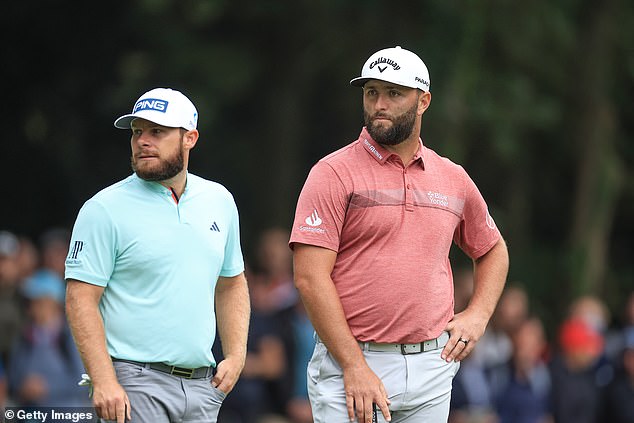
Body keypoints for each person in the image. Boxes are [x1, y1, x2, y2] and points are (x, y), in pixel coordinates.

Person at [289, 46, 509, 423]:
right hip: (352, 364)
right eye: (371, 92)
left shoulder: (452, 177)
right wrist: (353, 365)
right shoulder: (333, 172)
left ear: (423, 101)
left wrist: (478, 315)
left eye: (394, 93)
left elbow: (492, 249)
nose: (379, 104)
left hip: (432, 366)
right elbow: (310, 278)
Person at [64, 87, 250, 423]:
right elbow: (80, 299)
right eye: (137, 132)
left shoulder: (219, 200)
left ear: (189, 138)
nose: (142, 141)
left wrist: (236, 356)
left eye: (157, 132)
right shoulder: (103, 208)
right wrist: (104, 380)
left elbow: (232, 283)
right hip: (132, 384)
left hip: (203, 388)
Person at [7, 270, 88, 407]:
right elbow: (13, 376)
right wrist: (23, 386)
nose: (31, 308)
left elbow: (85, 381)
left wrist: (48, 387)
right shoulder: (25, 336)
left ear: (53, 303)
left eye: (38, 302)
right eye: (30, 302)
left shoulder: (70, 336)